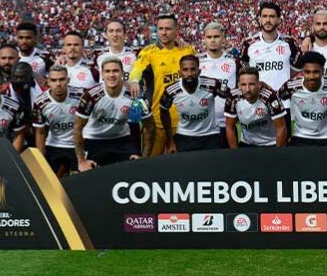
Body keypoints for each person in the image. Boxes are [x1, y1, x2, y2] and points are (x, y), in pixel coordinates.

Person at [128, 13, 195, 156]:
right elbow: (136, 70)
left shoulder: (187, 50)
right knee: (151, 165)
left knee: (182, 165)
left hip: (183, 121)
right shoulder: (148, 52)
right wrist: (134, 81)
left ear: (176, 30)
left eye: (168, 29)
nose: (164, 32)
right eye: (160, 29)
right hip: (157, 120)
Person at [75, 57, 155, 171]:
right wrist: (81, 161)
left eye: (115, 71)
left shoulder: (136, 97)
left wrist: (144, 157)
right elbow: (78, 127)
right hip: (94, 139)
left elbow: (149, 126)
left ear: (122, 73)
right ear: (102, 74)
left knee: (136, 171)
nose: (111, 75)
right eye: (107, 71)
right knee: (88, 175)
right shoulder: (90, 96)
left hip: (122, 139)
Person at [160, 55, 232, 152]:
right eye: (185, 70)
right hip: (184, 136)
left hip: (210, 135)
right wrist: (170, 141)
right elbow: (163, 110)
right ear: (180, 73)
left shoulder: (211, 84)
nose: (189, 73)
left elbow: (230, 95)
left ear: (199, 71)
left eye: (193, 69)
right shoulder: (171, 90)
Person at [278, 52, 327, 146]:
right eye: (307, 72)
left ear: (323, 71)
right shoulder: (290, 87)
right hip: (301, 137)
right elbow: (277, 99)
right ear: (302, 71)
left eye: (316, 72)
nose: (311, 77)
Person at [238, 1, 301, 95]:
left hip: (284, 100)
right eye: (264, 16)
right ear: (260, 19)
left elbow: (299, 64)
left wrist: (286, 75)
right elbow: (243, 69)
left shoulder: (289, 42)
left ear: (279, 20)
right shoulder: (248, 43)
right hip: (258, 100)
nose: (267, 20)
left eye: (271, 16)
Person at [33, 66, 86, 177]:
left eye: (62, 79)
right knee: (50, 181)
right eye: (53, 80)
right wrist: (40, 160)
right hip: (54, 144)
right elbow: (40, 132)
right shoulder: (40, 102)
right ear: (48, 82)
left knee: (79, 180)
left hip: (78, 145)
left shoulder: (82, 95)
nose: (58, 84)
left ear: (68, 80)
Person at [224, 67, 288, 148]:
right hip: (247, 143)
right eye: (243, 84)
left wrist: (277, 152)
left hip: (270, 144)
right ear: (238, 85)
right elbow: (229, 126)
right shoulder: (232, 97)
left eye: (251, 84)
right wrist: (235, 154)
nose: (247, 89)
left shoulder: (270, 97)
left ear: (258, 84)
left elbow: (281, 127)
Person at [198, 22, 239, 147]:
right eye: (209, 37)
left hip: (228, 123)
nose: (212, 40)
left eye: (216, 36)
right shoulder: (197, 62)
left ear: (223, 38)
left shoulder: (234, 61)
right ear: (204, 39)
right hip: (204, 125)